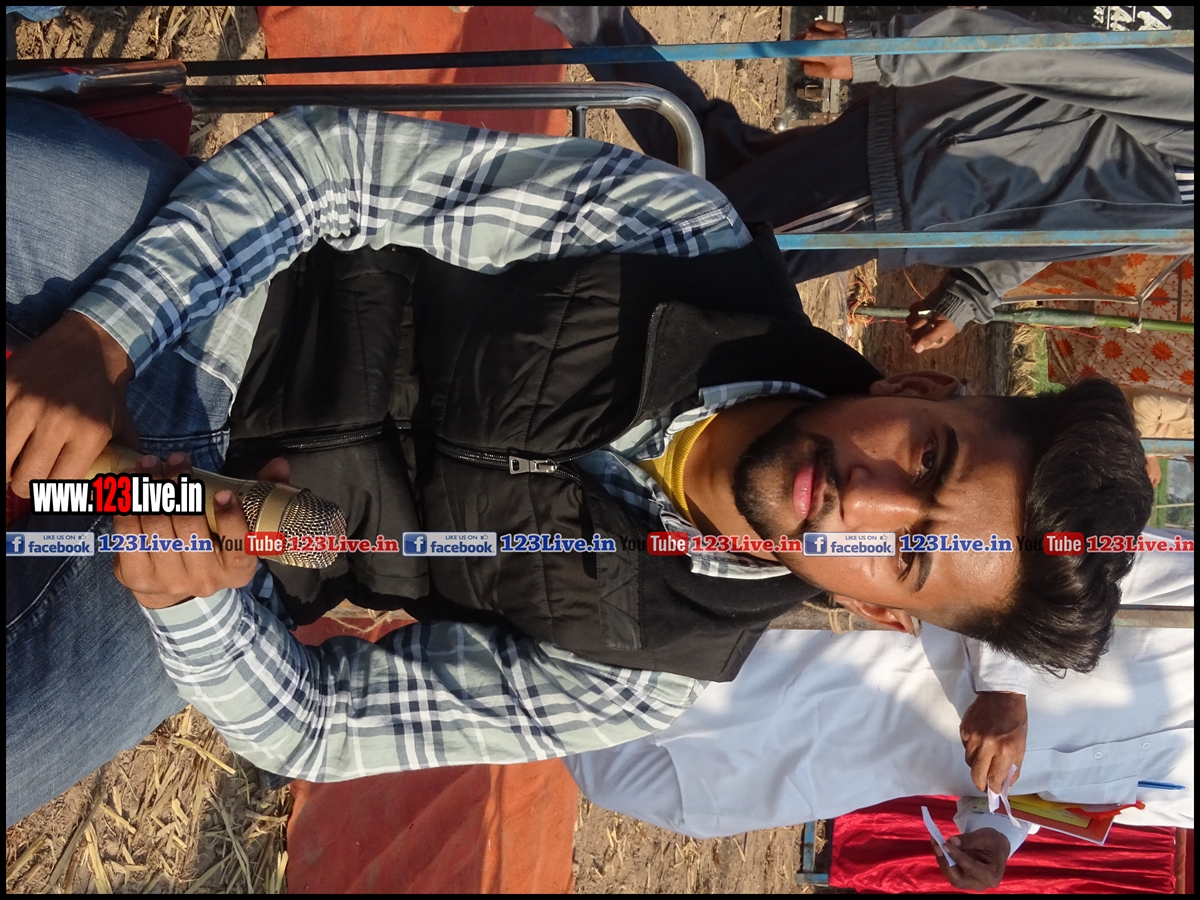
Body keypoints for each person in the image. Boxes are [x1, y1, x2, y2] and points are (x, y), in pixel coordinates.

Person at [6, 97, 1150, 822]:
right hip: (211, 296)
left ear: (884, 614)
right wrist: (107, 332)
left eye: (908, 555)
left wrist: (197, 602)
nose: (873, 499)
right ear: (918, 389)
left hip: (193, 556)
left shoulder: (644, 674)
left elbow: (318, 725)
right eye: (928, 458)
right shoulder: (678, 243)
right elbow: (327, 170)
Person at [536, 6, 1195, 353]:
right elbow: (1057, 59)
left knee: (710, 161)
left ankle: (590, 16)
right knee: (704, 254)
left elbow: (1073, 222)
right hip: (914, 176)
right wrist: (888, 49)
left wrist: (973, 293)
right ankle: (509, 257)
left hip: (920, 193)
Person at [565, 528, 1194, 891]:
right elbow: (1041, 546)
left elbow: (1068, 794)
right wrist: (1003, 686)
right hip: (870, 642)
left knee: (634, 782)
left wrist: (996, 836)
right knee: (620, 646)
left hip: (863, 760)